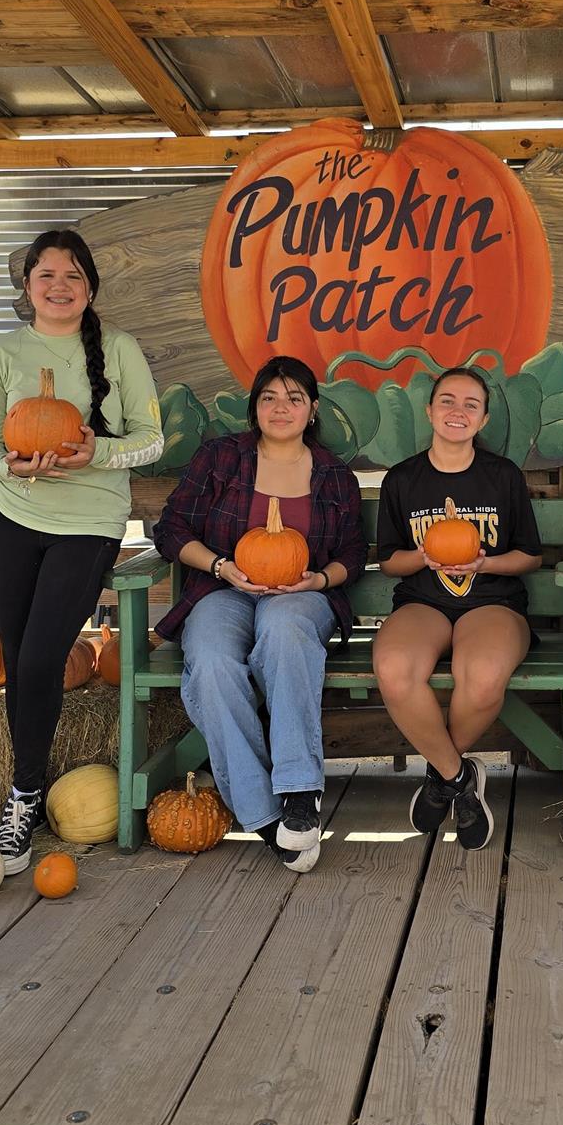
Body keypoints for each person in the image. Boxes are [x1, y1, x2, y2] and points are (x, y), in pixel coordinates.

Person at [0, 230, 163, 873]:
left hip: (89, 525)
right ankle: (26, 786)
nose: (59, 286)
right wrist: (12, 467)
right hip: (14, 520)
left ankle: (23, 796)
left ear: (90, 288)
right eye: (46, 275)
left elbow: (152, 440)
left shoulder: (119, 349)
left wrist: (96, 452)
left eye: (73, 275)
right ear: (27, 286)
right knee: (16, 659)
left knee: (41, 657)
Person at [152, 357, 366, 872]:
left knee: (285, 629)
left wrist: (318, 579)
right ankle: (264, 813)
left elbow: (353, 553)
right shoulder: (222, 458)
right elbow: (171, 529)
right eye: (269, 397)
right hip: (224, 588)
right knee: (210, 661)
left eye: (294, 398)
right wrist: (221, 566)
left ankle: (299, 790)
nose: (281, 408)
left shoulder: (334, 475)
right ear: (255, 407)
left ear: (313, 409)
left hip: (300, 595)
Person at [372, 367, 543, 849]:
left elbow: (530, 555)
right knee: (393, 668)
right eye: (447, 400)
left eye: (471, 404)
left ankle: (439, 778)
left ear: (483, 419)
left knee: (484, 676)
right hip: (423, 602)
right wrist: (423, 557)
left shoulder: (501, 476)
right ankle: (458, 776)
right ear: (429, 411)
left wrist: (485, 563)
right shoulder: (402, 479)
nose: (457, 411)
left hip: (493, 602)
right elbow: (389, 562)